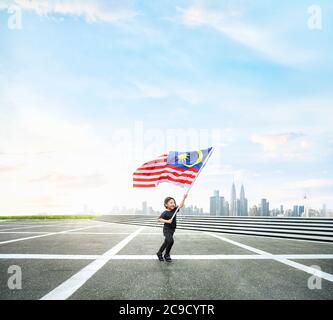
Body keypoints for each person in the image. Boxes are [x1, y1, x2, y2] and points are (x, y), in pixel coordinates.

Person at [156, 193, 188, 262]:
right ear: (166, 205)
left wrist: (184, 198)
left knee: (166, 242)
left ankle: (159, 253)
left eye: (174, 202)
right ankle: (167, 255)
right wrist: (167, 221)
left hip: (172, 229)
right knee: (170, 241)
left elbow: (181, 205)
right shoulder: (165, 212)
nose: (173, 204)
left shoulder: (175, 210)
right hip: (167, 229)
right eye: (171, 202)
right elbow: (159, 219)